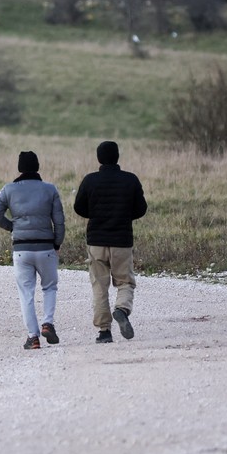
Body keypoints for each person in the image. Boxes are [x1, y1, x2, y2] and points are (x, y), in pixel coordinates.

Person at [0, 150, 65, 350]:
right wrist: (57, 243)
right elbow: (59, 221)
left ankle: (33, 337)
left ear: (20, 168)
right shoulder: (50, 189)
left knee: (26, 294)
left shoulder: (8, 189)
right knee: (49, 287)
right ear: (37, 166)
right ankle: (48, 322)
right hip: (46, 247)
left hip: (21, 249)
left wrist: (13, 227)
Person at [73, 141, 147, 344]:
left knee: (99, 286)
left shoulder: (90, 180)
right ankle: (122, 309)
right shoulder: (130, 180)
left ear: (99, 158)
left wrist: (95, 214)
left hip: (96, 241)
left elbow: (79, 208)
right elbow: (141, 209)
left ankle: (104, 331)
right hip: (122, 241)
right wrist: (123, 215)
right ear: (117, 157)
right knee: (125, 282)